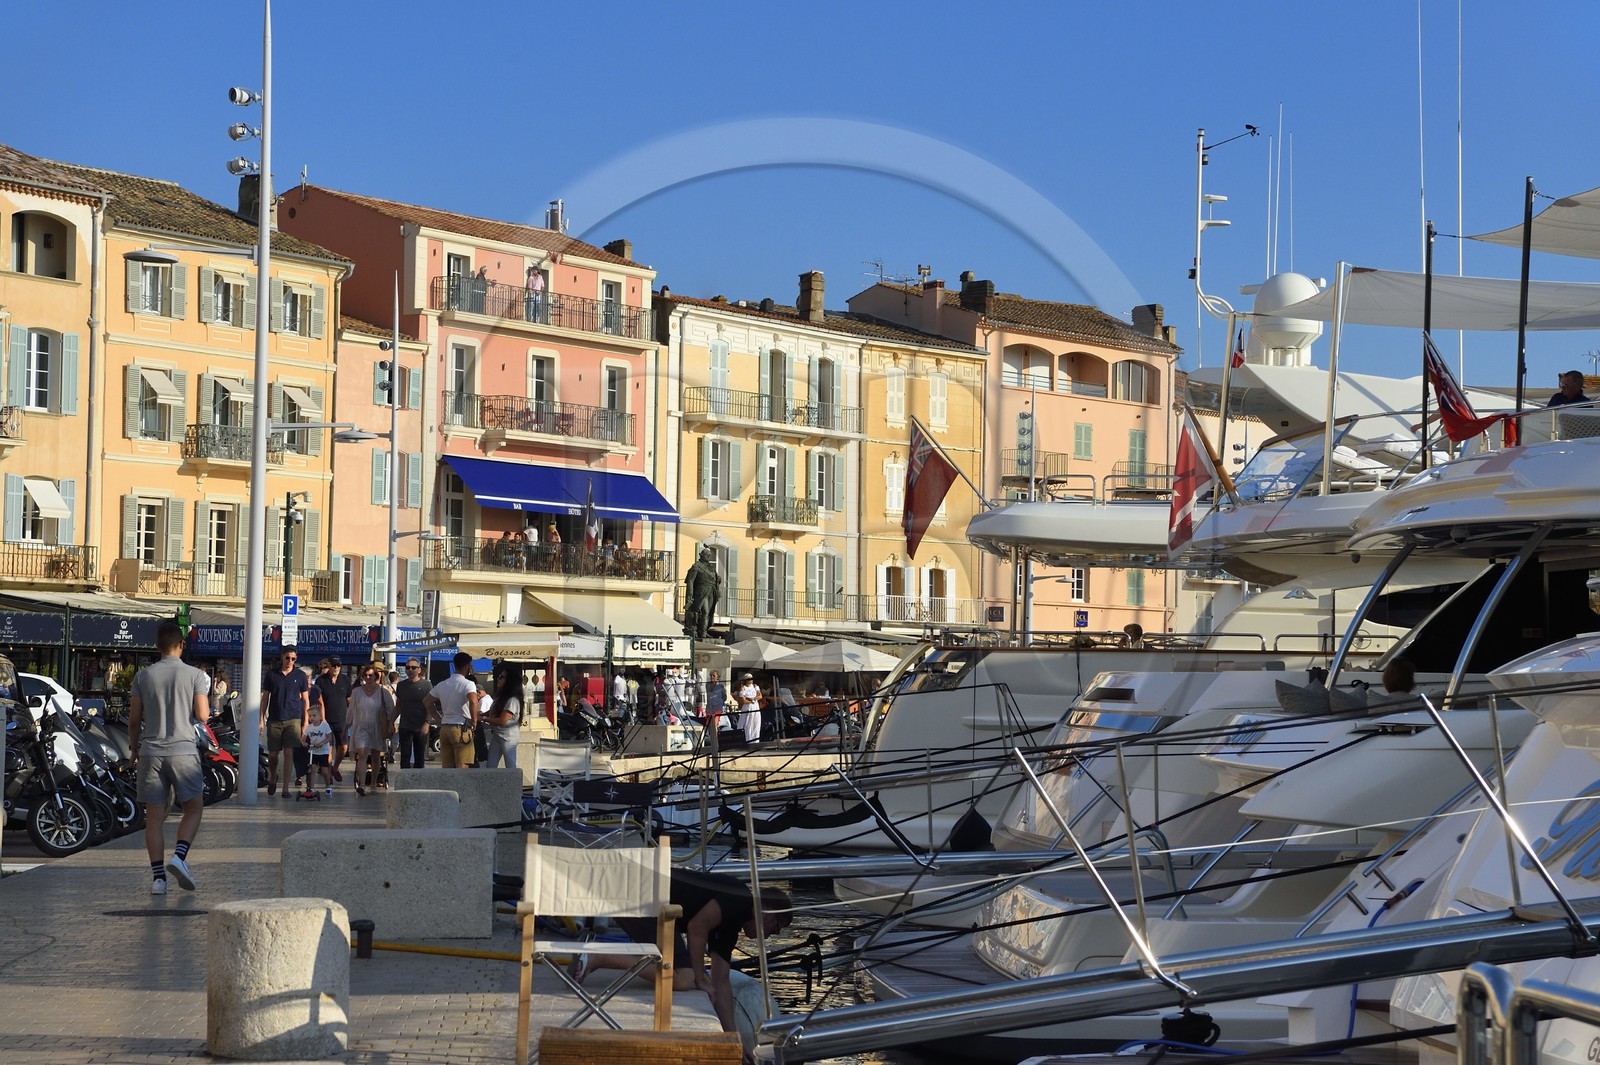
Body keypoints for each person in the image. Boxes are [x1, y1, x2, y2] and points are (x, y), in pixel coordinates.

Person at [580, 869, 791, 1052]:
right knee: (685, 979)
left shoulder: (731, 927)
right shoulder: (740, 898)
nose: (769, 936)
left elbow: (721, 982)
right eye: (776, 929)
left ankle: (602, 956)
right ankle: (601, 956)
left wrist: (733, 1038)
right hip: (642, 898)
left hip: (648, 903)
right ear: (770, 916)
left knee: (683, 975)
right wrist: (699, 978)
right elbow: (697, 927)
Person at [128, 620, 210, 894]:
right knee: (194, 808)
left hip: (150, 752)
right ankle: (180, 855)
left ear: (157, 647)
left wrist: (132, 749)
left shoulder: (143, 676)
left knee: (153, 818)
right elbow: (202, 715)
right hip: (183, 751)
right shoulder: (195, 675)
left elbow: (134, 719)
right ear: (181, 645)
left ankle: (158, 880)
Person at [261, 646, 309, 798]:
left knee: (289, 753)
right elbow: (265, 698)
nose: (290, 661)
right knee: (273, 755)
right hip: (275, 718)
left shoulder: (300, 675)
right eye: (287, 658)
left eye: (293, 659)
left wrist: (305, 722)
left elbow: (306, 700)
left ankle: (286, 788)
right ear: (282, 657)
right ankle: (273, 776)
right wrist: (261, 718)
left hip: (293, 718)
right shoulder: (272, 674)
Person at [424, 651, 481, 768]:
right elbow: (473, 701)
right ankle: (460, 787)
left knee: (447, 767)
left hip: (445, 728)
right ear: (467, 666)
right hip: (461, 727)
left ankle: (447, 787)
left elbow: (426, 701)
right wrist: (474, 721)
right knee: (462, 766)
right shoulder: (468, 684)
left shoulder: (443, 684)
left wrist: (438, 719)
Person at [348, 664, 394, 794]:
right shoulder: (356, 692)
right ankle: (362, 784)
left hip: (377, 726)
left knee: (375, 756)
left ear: (376, 676)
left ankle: (373, 783)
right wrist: (347, 724)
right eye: (366, 675)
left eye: (371, 675)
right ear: (362, 676)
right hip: (361, 727)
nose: (368, 677)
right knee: (362, 754)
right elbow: (350, 710)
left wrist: (391, 725)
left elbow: (390, 709)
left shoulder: (383, 691)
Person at [314, 656, 352, 783]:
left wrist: (352, 715)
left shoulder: (345, 680)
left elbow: (349, 699)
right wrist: (321, 719)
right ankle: (329, 772)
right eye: (334, 665)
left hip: (342, 719)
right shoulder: (321, 680)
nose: (336, 668)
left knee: (344, 748)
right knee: (328, 748)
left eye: (338, 666)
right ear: (328, 666)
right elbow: (319, 702)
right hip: (326, 720)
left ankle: (335, 768)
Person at [393, 657, 433, 769]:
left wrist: (427, 723)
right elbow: (398, 706)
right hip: (405, 726)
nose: (410, 670)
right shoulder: (401, 686)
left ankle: (418, 783)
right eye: (408, 667)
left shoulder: (426, 685)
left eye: (413, 667)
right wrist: (391, 722)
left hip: (420, 726)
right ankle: (405, 783)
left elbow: (430, 706)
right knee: (405, 756)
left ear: (419, 670)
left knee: (419, 757)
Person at [484, 666, 524, 769]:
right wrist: (481, 714)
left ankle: (512, 785)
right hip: (497, 734)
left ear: (509, 681)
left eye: (501, 677)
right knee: (490, 765)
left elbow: (503, 720)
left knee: (510, 765)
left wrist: (484, 719)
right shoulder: (500, 697)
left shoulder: (513, 700)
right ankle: (492, 784)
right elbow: (493, 711)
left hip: (508, 736)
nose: (498, 679)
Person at [682, 547, 722, 639]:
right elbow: (690, 581)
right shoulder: (696, 566)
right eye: (706, 555)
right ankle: (702, 633)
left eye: (709, 556)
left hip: (711, 591)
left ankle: (704, 631)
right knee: (705, 611)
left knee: (709, 613)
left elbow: (715, 578)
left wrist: (718, 579)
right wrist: (690, 595)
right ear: (701, 555)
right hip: (701, 592)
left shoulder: (711, 568)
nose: (708, 557)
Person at [303, 703, 334, 799]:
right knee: (313, 770)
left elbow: (329, 737)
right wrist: (304, 743)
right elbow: (303, 738)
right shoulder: (309, 727)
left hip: (323, 751)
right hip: (313, 751)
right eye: (310, 716)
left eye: (314, 716)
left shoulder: (325, 726)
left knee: (324, 771)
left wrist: (322, 743)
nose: (312, 718)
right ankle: (311, 788)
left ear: (320, 717)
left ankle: (328, 786)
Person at [737, 673, 763, 745]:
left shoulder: (755, 686)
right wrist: (751, 701)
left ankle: (755, 741)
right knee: (747, 724)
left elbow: (760, 696)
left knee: (755, 723)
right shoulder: (743, 688)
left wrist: (753, 699)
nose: (751, 681)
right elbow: (743, 700)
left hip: (755, 707)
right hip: (747, 707)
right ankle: (747, 740)